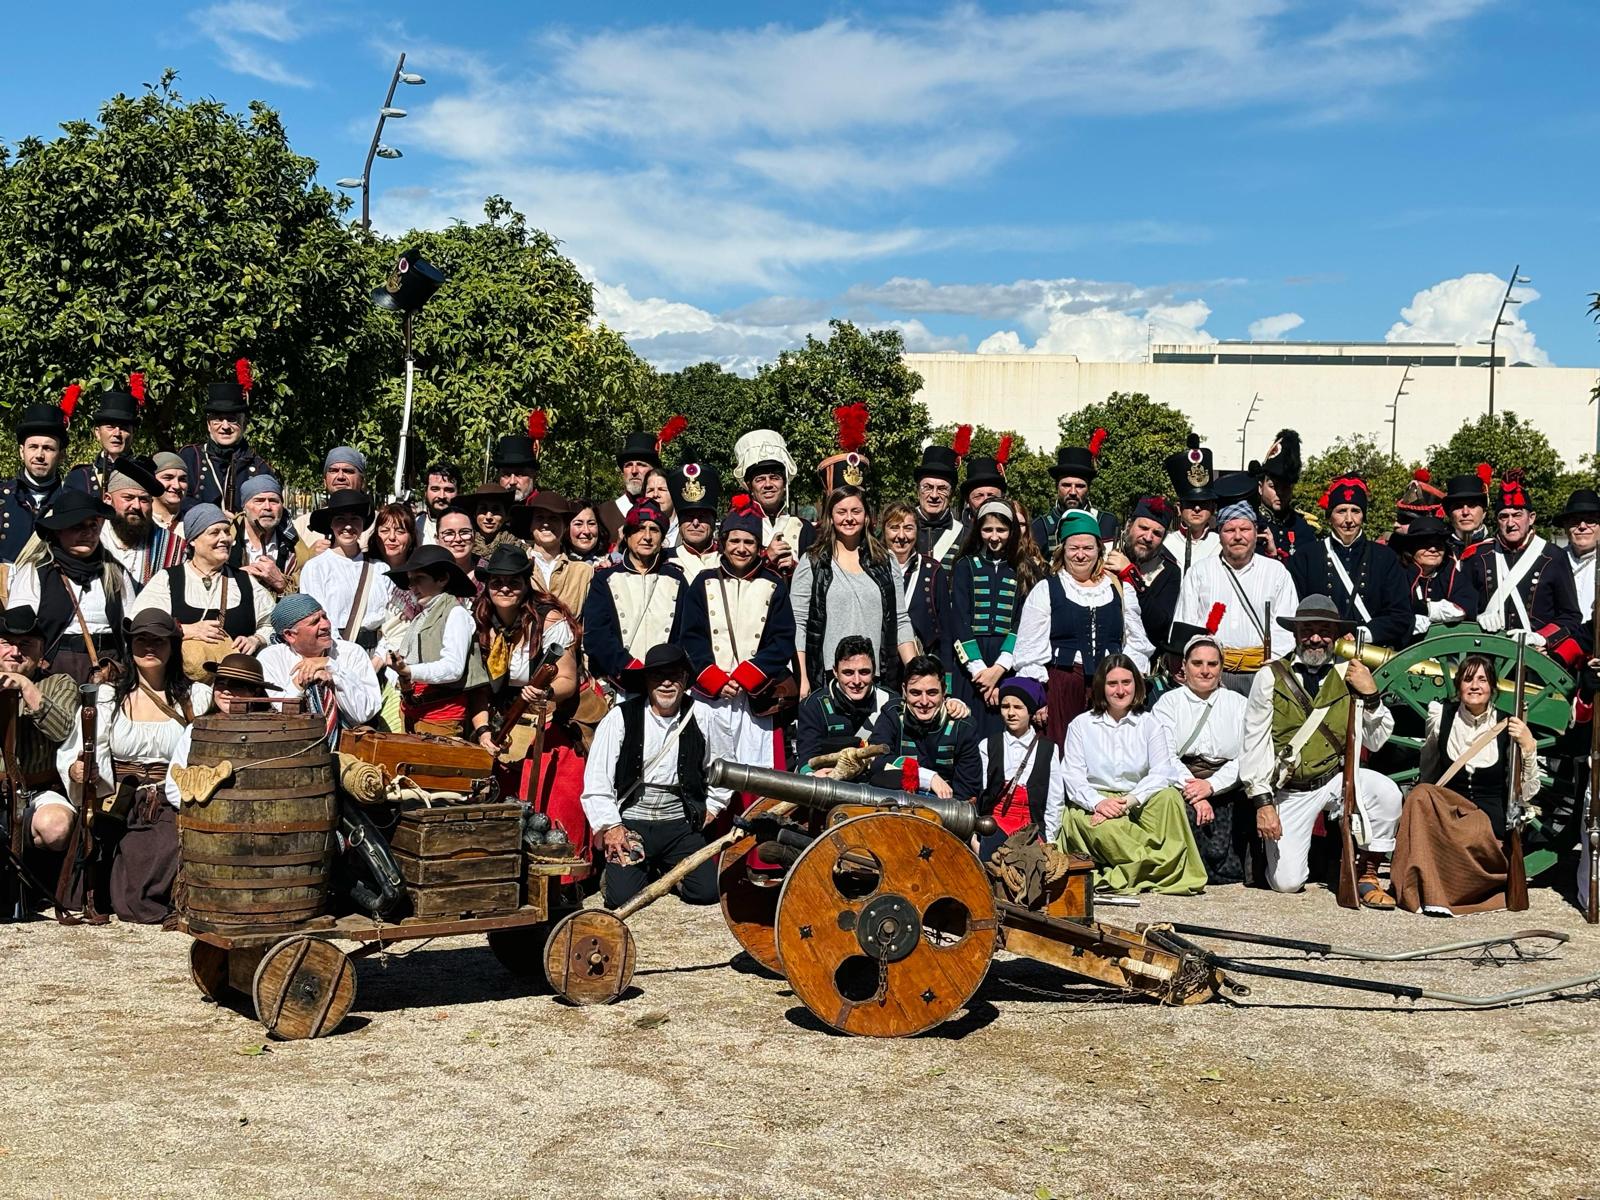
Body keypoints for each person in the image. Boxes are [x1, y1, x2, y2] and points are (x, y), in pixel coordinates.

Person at [1239, 595, 1402, 906]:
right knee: (1287, 884)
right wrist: (1263, 803)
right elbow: (1254, 743)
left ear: (1336, 636)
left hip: (1336, 780)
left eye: (1324, 630)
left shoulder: (1351, 675)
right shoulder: (1269, 676)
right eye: (1308, 630)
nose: (1316, 638)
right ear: (1296, 634)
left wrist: (1371, 695)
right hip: (1291, 789)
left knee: (1388, 793)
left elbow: (1376, 740)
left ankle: (1367, 871)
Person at [56, 609, 209, 923]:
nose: (150, 648)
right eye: (141, 640)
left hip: (170, 801)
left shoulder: (196, 698)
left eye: (159, 641)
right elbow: (79, 752)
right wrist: (78, 771)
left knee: (156, 861)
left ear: (173, 646)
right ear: (130, 646)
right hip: (118, 802)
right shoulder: (108, 699)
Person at [1394, 653, 1541, 916]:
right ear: (1459, 685)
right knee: (1419, 795)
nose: (1475, 686)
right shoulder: (1441, 716)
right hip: (1450, 808)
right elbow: (1429, 768)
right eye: (1468, 679)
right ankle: (1420, 890)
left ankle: (1453, 891)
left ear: (1493, 688)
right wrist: (1426, 811)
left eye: (1483, 680)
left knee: (1472, 830)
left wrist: (1529, 746)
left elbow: (1527, 793)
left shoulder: (1509, 725)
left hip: (1487, 817)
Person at [579, 644, 720, 909]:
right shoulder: (620, 717)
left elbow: (722, 765)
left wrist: (713, 806)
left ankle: (662, 872)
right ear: (646, 680)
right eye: (658, 676)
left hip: (680, 824)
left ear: (685, 679)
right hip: (632, 822)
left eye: (674, 676)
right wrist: (611, 826)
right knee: (621, 899)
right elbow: (598, 779)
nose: (666, 683)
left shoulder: (703, 715)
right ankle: (626, 871)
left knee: (706, 892)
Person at [466, 545, 586, 849]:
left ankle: (562, 875)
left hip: (553, 719)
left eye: (513, 582)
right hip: (503, 722)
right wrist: (483, 731)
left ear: (525, 583)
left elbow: (567, 680)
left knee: (556, 792)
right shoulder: (478, 620)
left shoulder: (550, 620)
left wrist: (543, 692)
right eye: (497, 582)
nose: (505, 588)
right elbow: (479, 687)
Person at [1057, 655, 1205, 895]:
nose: (1120, 690)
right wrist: (1099, 803)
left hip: (1137, 798)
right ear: (1101, 687)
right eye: (1112, 683)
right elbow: (1072, 776)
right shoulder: (1081, 725)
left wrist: (1131, 800)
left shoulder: (1150, 723)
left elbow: (1162, 771)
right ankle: (1161, 864)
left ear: (1136, 684)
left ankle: (1143, 865)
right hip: (1094, 799)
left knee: (1169, 798)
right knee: (1106, 829)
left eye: (1126, 682)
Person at [680, 506, 795, 812]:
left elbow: (782, 641)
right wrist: (713, 677)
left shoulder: (774, 584)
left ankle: (757, 854)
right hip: (711, 695)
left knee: (757, 776)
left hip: (755, 696)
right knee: (708, 769)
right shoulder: (703, 582)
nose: (741, 549)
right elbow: (690, 637)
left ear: (759, 547)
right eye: (735, 541)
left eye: (749, 542)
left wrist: (747, 677)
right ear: (723, 542)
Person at [1013, 509, 1154, 748]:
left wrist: (1128, 684)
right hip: (1062, 686)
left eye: (1087, 548)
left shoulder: (1120, 589)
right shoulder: (1047, 589)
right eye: (1073, 548)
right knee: (1061, 751)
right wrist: (1039, 696)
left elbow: (1135, 642)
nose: (1081, 555)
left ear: (1099, 549)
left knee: (1106, 750)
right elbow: (1029, 648)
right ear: (1062, 550)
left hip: (1110, 685)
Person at [792, 485, 916, 698]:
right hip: (828, 679)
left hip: (876, 679)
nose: (849, 518)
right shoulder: (812, 562)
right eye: (841, 512)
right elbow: (799, 623)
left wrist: (916, 674)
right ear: (831, 517)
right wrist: (802, 678)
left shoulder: (885, 561)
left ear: (867, 517)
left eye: (856, 511)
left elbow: (901, 620)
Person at [1172, 489, 1298, 696]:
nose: (1238, 536)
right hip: (1213, 674)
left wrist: (1269, 671)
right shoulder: (1199, 572)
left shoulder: (1276, 573)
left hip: (1263, 673)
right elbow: (1187, 623)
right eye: (1230, 530)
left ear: (1255, 531)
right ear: (1219, 534)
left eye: (1245, 529)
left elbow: (1286, 628)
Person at [7, 489, 136, 683]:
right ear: (59, 530)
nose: (88, 533)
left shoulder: (115, 573)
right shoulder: (36, 572)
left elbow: (131, 626)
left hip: (109, 668)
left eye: (93, 526)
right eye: (78, 526)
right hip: (54, 669)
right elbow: (18, 629)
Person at [1153, 632, 1251, 884]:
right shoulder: (1168, 704)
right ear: (1184, 667)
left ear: (1221, 668)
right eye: (1197, 663)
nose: (1205, 671)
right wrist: (1196, 793)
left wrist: (1212, 785)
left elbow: (1248, 754)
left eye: (1212, 664)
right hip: (1182, 784)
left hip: (1227, 785)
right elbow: (1164, 755)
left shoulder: (1239, 704)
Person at [0, 605, 83, 885]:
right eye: (6, 644)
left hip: (37, 791)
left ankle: (37, 884)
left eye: (26, 645)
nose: (15, 652)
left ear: (41, 649)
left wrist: (26, 687)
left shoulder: (59, 683)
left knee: (56, 827)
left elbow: (62, 731)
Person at [1473, 470, 1586, 668]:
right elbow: (1465, 603)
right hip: (1486, 658)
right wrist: (1478, 616)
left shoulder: (1553, 557)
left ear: (1531, 517)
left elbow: (1571, 616)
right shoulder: (1479, 555)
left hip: (1535, 660)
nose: (1510, 523)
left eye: (1517, 515)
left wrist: (1541, 638)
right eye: (1504, 516)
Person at [949, 498, 1043, 737]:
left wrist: (998, 669)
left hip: (1007, 660)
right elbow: (960, 620)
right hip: (972, 664)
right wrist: (981, 672)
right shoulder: (965, 566)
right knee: (967, 729)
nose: (994, 536)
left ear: (1011, 531)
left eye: (1001, 530)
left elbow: (1021, 622)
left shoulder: (1024, 567)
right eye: (987, 529)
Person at [131, 504, 274, 659]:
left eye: (226, 531)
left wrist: (256, 639)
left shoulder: (244, 581)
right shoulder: (168, 580)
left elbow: (272, 623)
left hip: (232, 679)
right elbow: (141, 624)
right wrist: (185, 630)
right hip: (181, 680)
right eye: (214, 533)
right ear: (193, 540)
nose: (225, 538)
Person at [1289, 475, 1412, 648]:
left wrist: (1362, 634)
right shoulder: (1306, 557)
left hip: (1372, 655)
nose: (1348, 520)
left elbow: (1401, 615)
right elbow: (1294, 611)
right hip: (1319, 651)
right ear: (1330, 516)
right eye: (1341, 511)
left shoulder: (1386, 558)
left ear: (1363, 516)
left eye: (1355, 511)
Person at [382, 545, 486, 737]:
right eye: (410, 581)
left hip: (441, 718)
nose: (413, 587)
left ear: (442, 579)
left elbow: (453, 669)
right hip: (414, 712)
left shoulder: (455, 614)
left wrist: (409, 670)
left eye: (419, 579)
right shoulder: (422, 616)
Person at [582, 500, 686, 685]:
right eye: (639, 529)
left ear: (662, 538)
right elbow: (596, 635)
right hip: (616, 680)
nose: (647, 536)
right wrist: (628, 667)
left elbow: (684, 633)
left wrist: (665, 669)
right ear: (627, 536)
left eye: (654, 530)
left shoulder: (677, 579)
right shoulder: (604, 578)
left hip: (665, 681)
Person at [259, 595, 382, 745]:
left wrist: (334, 670)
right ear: (290, 635)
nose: (325, 625)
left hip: (350, 747)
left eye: (324, 616)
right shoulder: (271, 659)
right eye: (315, 622)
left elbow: (362, 714)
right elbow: (282, 715)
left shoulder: (352, 653)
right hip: (293, 746)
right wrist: (302, 680)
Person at [163, 654, 280, 806]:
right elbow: (174, 785)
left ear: (255, 692)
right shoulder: (197, 729)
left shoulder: (273, 732)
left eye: (236, 685)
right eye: (220, 683)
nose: (225, 691)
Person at [867, 654, 982, 802]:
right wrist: (927, 777)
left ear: (944, 690)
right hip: (897, 807)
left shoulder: (963, 726)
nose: (924, 701)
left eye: (932, 693)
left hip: (945, 813)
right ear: (904, 690)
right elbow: (876, 761)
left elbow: (967, 792)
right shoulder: (892, 714)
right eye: (915, 693)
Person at [976, 675, 1065, 859]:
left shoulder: (1048, 749)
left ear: (1030, 711)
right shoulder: (988, 745)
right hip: (996, 824)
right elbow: (983, 791)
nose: (1010, 713)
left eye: (1018, 707)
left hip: (1031, 826)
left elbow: (1054, 800)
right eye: (1005, 706)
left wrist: (1049, 837)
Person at [179, 361, 275, 512]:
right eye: (218, 419)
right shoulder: (190, 457)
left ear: (244, 424)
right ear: (208, 424)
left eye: (232, 419)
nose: (225, 426)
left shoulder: (259, 467)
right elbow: (176, 501)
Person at [298, 490, 388, 649]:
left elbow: (390, 619)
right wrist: (346, 656)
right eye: (340, 519)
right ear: (331, 524)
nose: (348, 526)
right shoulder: (315, 568)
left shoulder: (380, 569)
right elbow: (317, 618)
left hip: (377, 654)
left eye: (355, 519)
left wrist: (380, 657)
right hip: (336, 651)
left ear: (363, 524)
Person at [880, 499, 951, 667]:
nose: (901, 536)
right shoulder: (871, 568)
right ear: (883, 531)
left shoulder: (932, 571)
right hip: (879, 665)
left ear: (917, 532)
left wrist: (946, 677)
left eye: (908, 528)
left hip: (921, 664)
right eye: (894, 528)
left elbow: (945, 629)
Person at [1107, 496, 1181, 654]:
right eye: (1143, 528)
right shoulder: (1102, 552)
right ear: (1129, 525)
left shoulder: (1169, 570)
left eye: (1157, 533)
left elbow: (1159, 626)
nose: (1148, 538)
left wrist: (1131, 576)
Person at [0, 399, 71, 563]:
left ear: (61, 455)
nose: (39, 455)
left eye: (48, 448)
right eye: (33, 447)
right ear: (21, 451)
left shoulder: (69, 503)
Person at [733, 428, 813, 571]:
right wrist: (766, 557)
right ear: (750, 486)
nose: (768, 484)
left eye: (775, 478)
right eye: (760, 479)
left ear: (784, 484)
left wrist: (795, 569)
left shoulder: (804, 528)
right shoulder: (735, 524)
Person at [1390, 514, 1478, 639]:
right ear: (1411, 548)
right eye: (1425, 544)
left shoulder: (1449, 570)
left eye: (1438, 544)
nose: (1432, 549)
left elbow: (1466, 605)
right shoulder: (1398, 573)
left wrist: (1427, 609)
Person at [598, 422, 684, 548]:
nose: (634, 471)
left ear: (654, 471)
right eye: (628, 465)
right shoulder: (604, 513)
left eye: (641, 464)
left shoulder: (674, 514)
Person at [1034, 431, 1116, 557]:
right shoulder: (1040, 526)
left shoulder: (1106, 523)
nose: (1072, 492)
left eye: (1080, 486)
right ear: (1056, 486)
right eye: (1066, 485)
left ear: (1088, 488)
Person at [514, 492, 594, 616]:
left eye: (553, 518)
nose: (546, 523)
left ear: (565, 526)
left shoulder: (583, 572)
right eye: (540, 517)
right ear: (531, 525)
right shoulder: (516, 567)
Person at [64, 379, 142, 498]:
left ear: (132, 433)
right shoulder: (78, 478)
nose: (117, 433)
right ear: (97, 433)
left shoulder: (146, 474)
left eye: (124, 428)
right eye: (110, 427)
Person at [98, 460, 169, 591]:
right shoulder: (93, 537)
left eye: (144, 500)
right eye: (128, 498)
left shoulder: (170, 545)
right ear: (108, 499)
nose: (136, 506)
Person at [1249, 430, 1317, 562]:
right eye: (1273, 487)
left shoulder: (1304, 529)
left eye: (1286, 487)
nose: (1280, 493)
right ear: (1260, 487)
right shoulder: (1248, 523)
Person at [233, 476, 303, 599]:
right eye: (259, 501)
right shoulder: (226, 539)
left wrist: (280, 582)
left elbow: (306, 593)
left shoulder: (294, 546)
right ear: (244, 506)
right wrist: (238, 577)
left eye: (274, 501)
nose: (267, 507)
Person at [290, 447, 367, 547]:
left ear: (362, 481)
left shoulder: (379, 525)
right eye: (333, 470)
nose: (340, 477)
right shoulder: (301, 526)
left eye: (348, 471)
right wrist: (309, 556)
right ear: (325, 481)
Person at [1163, 434, 1219, 569]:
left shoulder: (1220, 544)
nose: (1197, 508)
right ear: (1178, 508)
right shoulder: (1165, 543)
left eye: (1204, 503)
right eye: (1190, 503)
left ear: (1212, 508)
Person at [912, 438, 966, 568]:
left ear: (952, 494)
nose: (934, 495)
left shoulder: (965, 535)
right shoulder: (897, 529)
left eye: (942, 489)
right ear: (918, 490)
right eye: (928, 487)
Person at [667, 459, 719, 581]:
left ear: (713, 521)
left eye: (702, 516)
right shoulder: (664, 560)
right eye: (689, 517)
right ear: (679, 522)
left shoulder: (727, 559)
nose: (695, 523)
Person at [1555, 487, 1600, 624]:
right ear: (1565, 527)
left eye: (1590, 520)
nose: (1582, 526)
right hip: (1557, 641)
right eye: (1574, 521)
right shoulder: (1552, 560)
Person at [1442, 465, 1494, 558]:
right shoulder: (1439, 553)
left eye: (1472, 505)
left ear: (1484, 512)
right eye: (1458, 506)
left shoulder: (1497, 550)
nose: (1465, 512)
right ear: (1449, 514)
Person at [460, 483, 519, 560]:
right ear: (475, 514)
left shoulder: (518, 547)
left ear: (506, 516)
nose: (488, 517)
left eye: (496, 510)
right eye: (483, 509)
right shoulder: (462, 543)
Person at [149, 452, 191, 552]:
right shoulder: (140, 522)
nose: (176, 485)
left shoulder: (192, 524)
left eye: (182, 479)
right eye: (168, 478)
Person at [417, 462, 461, 547]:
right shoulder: (415, 527)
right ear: (425, 492)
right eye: (435, 489)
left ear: (459, 492)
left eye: (448, 490)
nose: (441, 496)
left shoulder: (469, 527)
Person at [435, 508, 481, 582]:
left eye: (465, 532)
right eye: (449, 533)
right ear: (437, 538)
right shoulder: (425, 574)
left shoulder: (490, 572)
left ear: (474, 535)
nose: (458, 539)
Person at [959, 453, 1007, 522]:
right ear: (968, 500)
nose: (985, 501)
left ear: (1002, 497)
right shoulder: (955, 532)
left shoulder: (1014, 531)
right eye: (978, 496)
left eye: (992, 496)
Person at [492, 434, 540, 503]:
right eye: (506, 475)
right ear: (498, 477)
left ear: (534, 477)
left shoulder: (544, 510)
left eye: (519, 474)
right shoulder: (489, 510)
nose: (512, 482)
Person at [565, 500, 605, 565]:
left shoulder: (611, 561)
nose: (586, 531)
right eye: (578, 524)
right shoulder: (557, 563)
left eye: (591, 523)